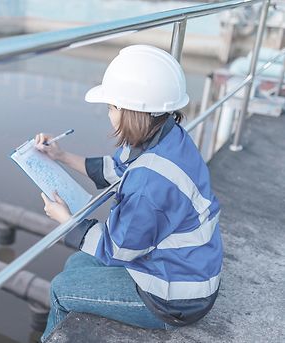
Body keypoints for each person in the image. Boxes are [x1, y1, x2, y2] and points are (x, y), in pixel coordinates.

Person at [35, 45, 223, 342]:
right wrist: (60, 156)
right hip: (185, 268)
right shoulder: (166, 136)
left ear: (132, 111)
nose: (108, 114)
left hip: (172, 299)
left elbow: (117, 250)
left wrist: (67, 222)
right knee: (76, 264)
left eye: (112, 107)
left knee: (61, 288)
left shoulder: (149, 183)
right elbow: (115, 170)